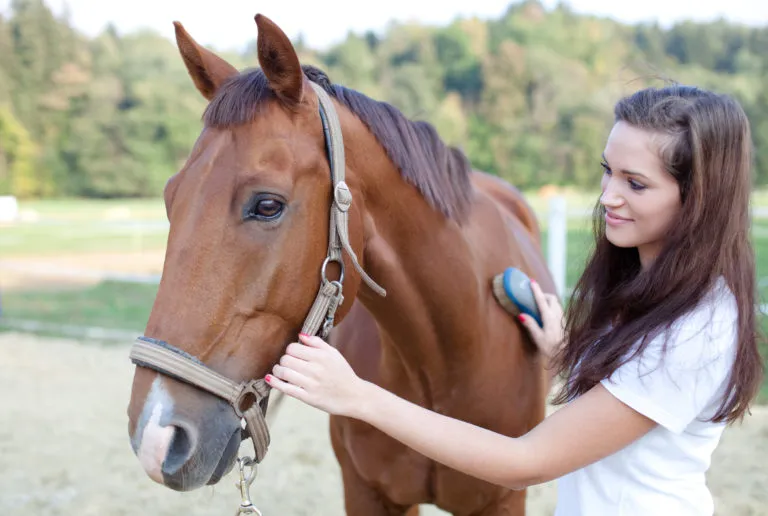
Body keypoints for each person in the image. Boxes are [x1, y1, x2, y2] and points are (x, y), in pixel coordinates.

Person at [265, 85, 764, 515]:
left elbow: (527, 463)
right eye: (607, 170)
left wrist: (358, 396)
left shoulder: (695, 327)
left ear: (699, 198)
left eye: (635, 183)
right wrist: (567, 352)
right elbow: (622, 398)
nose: (608, 196)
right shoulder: (649, 287)